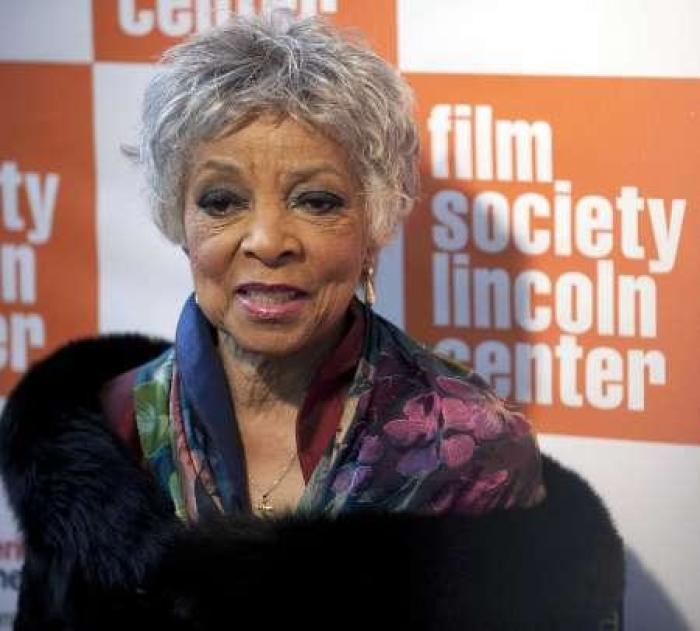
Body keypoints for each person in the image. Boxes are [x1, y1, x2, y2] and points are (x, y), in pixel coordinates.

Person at [0, 12, 623, 630]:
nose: (268, 240)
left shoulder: (466, 448)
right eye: (222, 201)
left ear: (374, 224)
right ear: (179, 221)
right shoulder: (106, 437)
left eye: (316, 201)